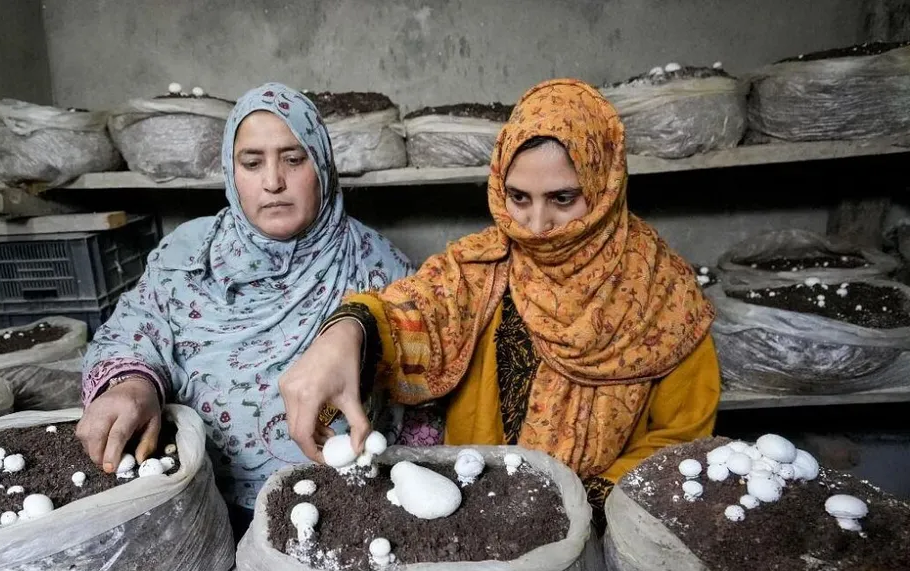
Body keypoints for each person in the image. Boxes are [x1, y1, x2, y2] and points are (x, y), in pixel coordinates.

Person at [280, 78, 720, 519]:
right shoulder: (479, 268)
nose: (535, 224)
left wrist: (582, 505)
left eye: (563, 198)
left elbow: (681, 436)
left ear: (604, 184)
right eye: (518, 198)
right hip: (476, 513)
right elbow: (414, 312)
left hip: (600, 527)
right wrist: (347, 332)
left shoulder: (663, 292)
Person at [76, 82, 416, 538]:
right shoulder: (188, 255)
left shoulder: (376, 263)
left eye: (294, 159)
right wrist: (133, 384)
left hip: (341, 512)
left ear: (322, 163)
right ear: (230, 172)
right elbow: (134, 329)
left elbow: (423, 366)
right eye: (252, 163)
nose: (273, 181)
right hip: (202, 509)